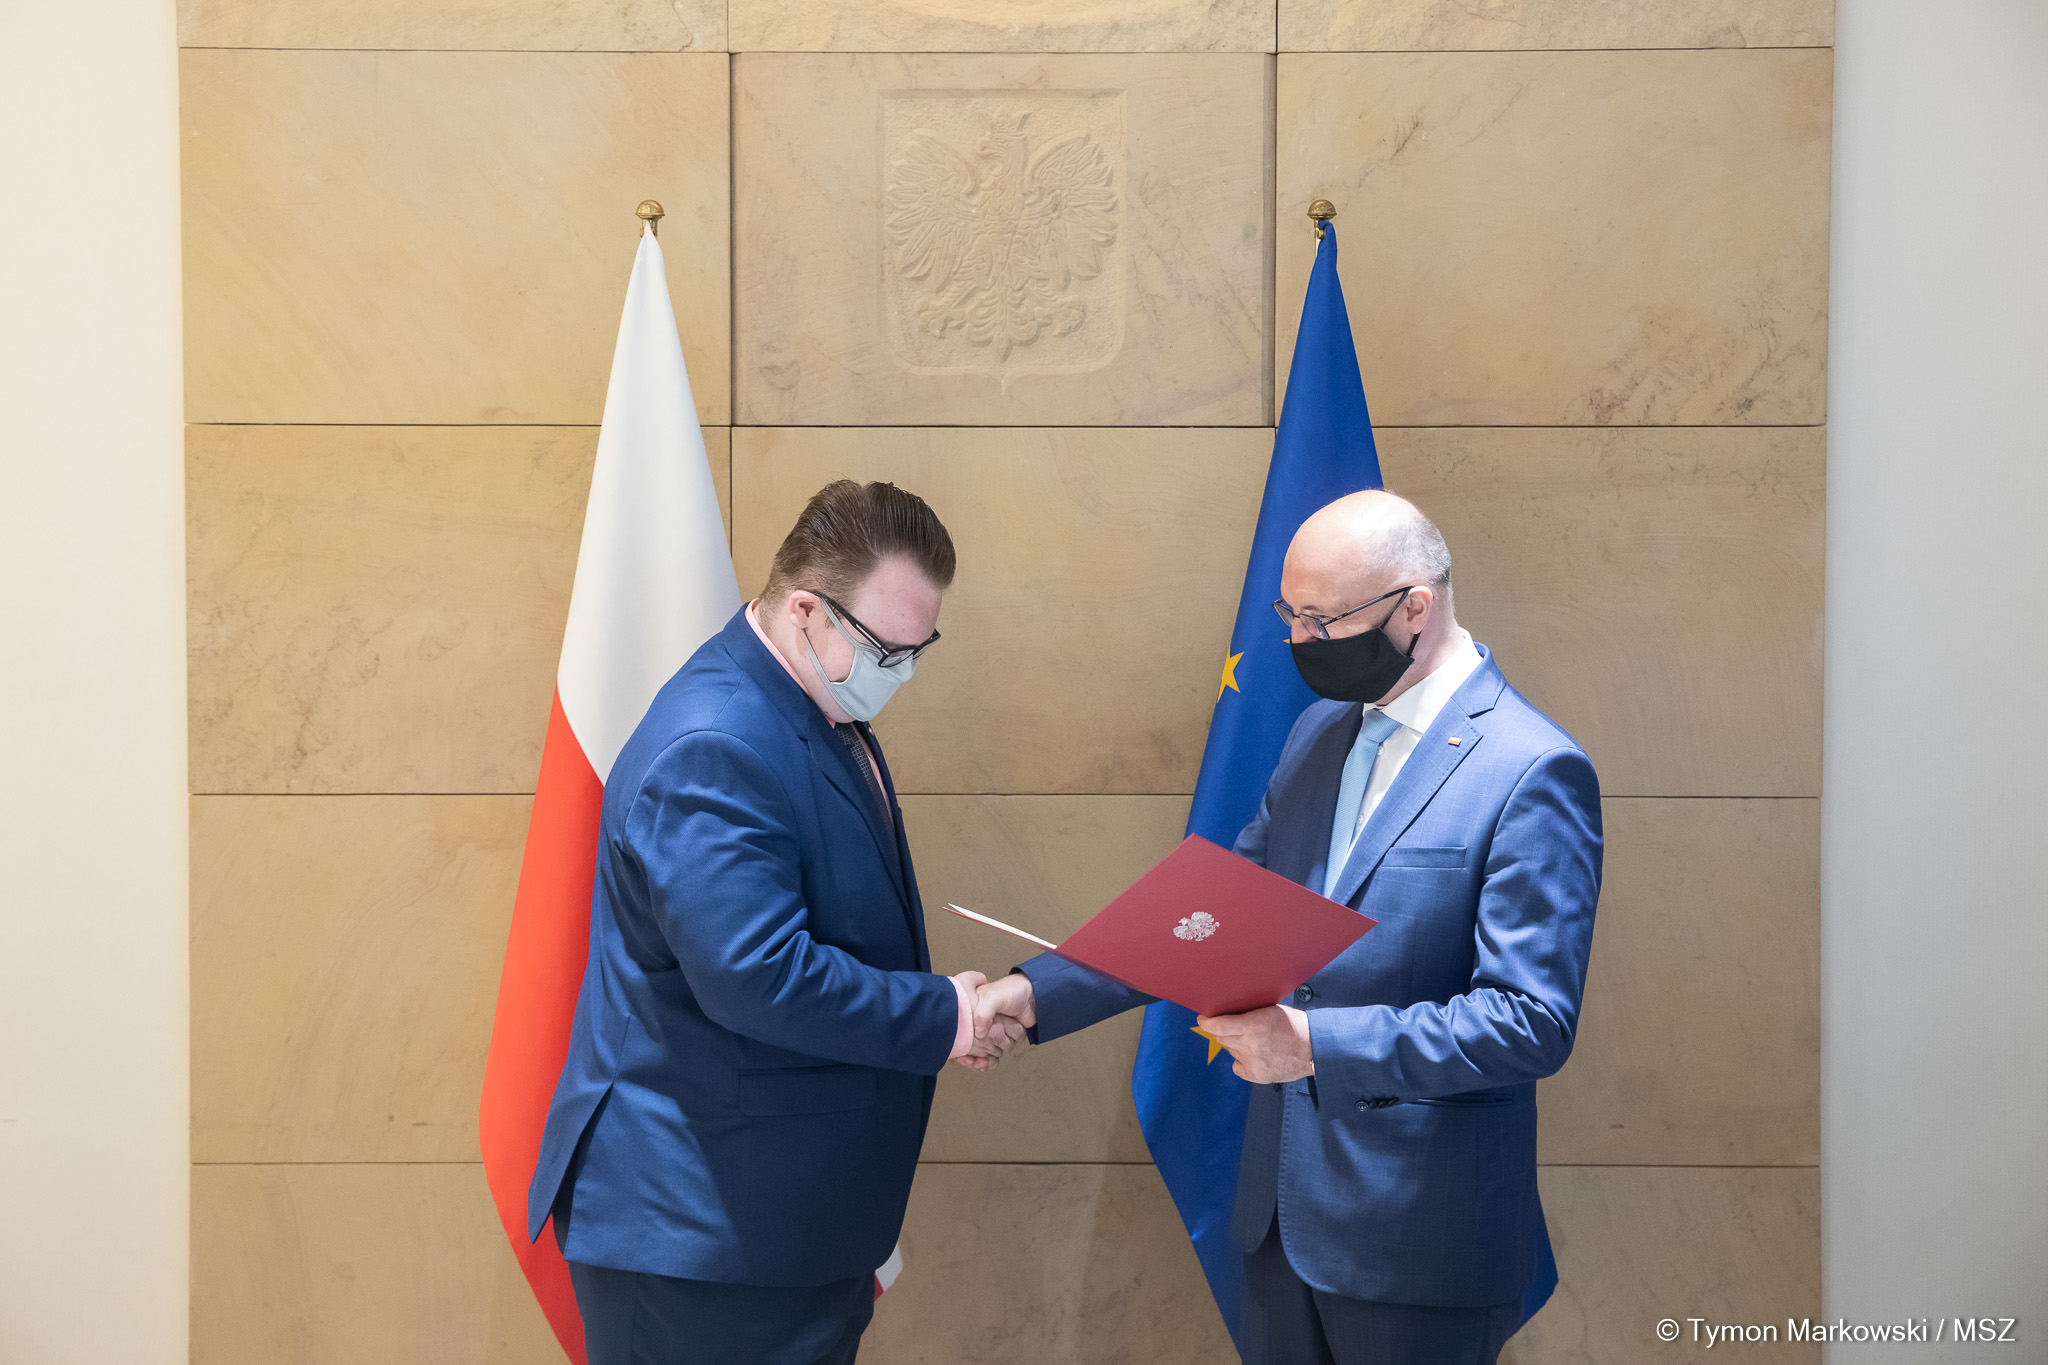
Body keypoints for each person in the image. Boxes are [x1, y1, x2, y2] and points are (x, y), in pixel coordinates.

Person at [972, 489, 1603, 1365]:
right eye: (1290, 615)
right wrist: (1033, 992)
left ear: (1415, 607)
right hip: (1278, 1228)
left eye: (1323, 620)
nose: (1301, 642)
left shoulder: (1531, 768)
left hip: (1419, 1239)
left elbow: (1529, 1020)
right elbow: (1209, 916)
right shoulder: (1316, 734)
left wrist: (1313, 1045)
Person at [527, 479, 1024, 1365]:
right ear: (805, 610)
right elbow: (758, 975)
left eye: (921, 650)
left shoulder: (809, 701)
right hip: (700, 1239)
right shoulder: (716, 741)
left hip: (779, 1225)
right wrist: (945, 1016)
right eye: (887, 649)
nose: (902, 673)